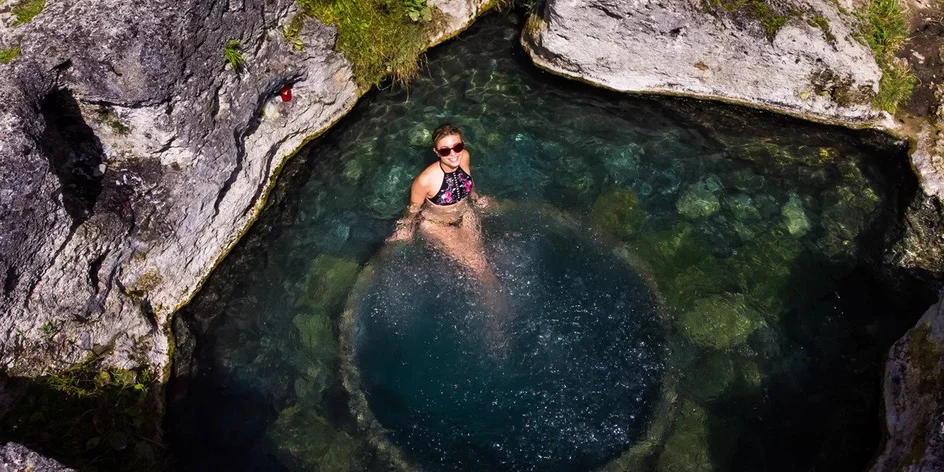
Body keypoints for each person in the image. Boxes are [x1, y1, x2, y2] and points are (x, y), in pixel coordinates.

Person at [387, 124, 509, 352]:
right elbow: (413, 211)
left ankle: (491, 304)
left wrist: (477, 198)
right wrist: (405, 229)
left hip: (464, 214)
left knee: (480, 261)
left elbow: (468, 183)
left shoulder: (464, 158)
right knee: (478, 265)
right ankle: (495, 327)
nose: (453, 154)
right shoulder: (425, 180)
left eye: (457, 147)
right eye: (445, 150)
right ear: (436, 152)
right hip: (436, 225)